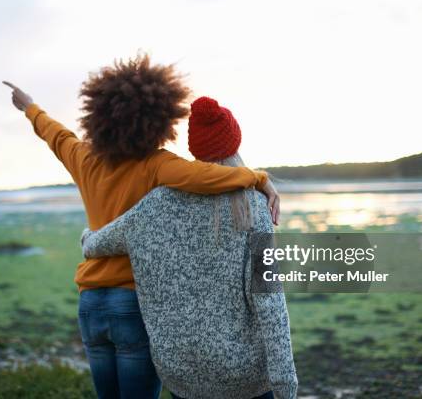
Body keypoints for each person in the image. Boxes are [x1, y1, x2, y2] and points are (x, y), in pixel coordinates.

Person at [2, 54, 281, 399]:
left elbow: (56, 135)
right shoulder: (157, 164)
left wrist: (29, 107)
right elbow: (206, 175)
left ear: (99, 117)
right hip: (131, 302)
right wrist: (259, 178)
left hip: (90, 302)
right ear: (158, 119)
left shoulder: (84, 158)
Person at [81, 96, 298, 399]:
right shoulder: (254, 208)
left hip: (182, 375)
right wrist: (285, 385)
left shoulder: (153, 207)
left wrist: (86, 236)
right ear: (235, 144)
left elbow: (94, 245)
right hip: (245, 376)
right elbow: (269, 300)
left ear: (194, 150)